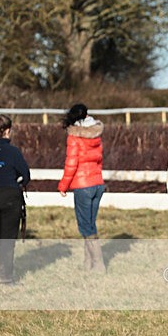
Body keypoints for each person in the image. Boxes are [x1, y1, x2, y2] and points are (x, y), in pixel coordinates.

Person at [58, 103, 106, 271]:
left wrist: (63, 186)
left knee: (85, 226)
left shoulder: (74, 136)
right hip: (97, 185)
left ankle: (99, 264)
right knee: (90, 224)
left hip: (82, 186)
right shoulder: (96, 134)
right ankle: (88, 264)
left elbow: (71, 164)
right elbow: (98, 161)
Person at [0, 113, 30, 285]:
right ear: (7, 131)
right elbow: (25, 175)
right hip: (9, 197)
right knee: (7, 240)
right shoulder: (13, 152)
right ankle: (6, 278)